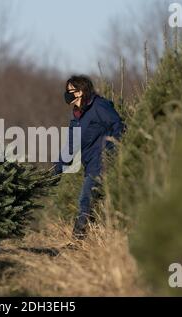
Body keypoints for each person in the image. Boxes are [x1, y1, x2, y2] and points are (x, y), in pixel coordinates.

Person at [55, 75, 125, 238]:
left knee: (85, 200)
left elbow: (118, 126)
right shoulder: (77, 115)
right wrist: (57, 169)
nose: (67, 94)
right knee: (93, 202)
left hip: (103, 163)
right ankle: (95, 238)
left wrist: (110, 150)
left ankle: (78, 239)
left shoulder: (98, 106)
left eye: (70, 91)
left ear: (80, 92)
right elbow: (71, 146)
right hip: (91, 164)